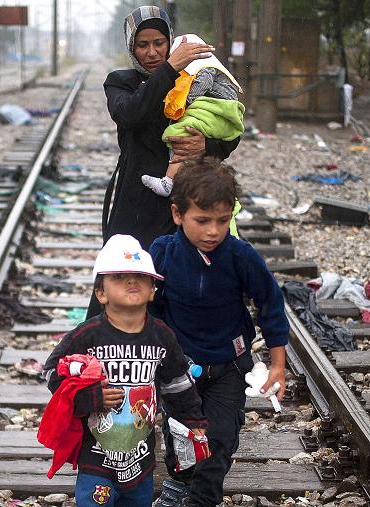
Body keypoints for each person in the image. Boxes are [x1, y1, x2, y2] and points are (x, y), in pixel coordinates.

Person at [148, 158, 289, 507]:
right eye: (203, 221)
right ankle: (180, 482)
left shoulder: (240, 256)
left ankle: (202, 499)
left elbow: (270, 303)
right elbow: (150, 309)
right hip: (179, 369)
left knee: (220, 438)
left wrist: (278, 365)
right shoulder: (163, 254)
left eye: (223, 221)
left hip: (228, 366)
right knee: (181, 435)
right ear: (178, 214)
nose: (213, 231)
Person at [41, 234, 207, 507]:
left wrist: (194, 423)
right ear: (101, 293)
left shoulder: (162, 336)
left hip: (141, 460)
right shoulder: (87, 336)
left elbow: (177, 385)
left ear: (153, 289)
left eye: (140, 277)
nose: (131, 281)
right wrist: (89, 398)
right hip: (96, 458)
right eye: (119, 276)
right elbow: (52, 373)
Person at [102, 6, 239, 250]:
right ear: (131, 47)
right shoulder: (121, 83)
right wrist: (169, 69)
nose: (152, 53)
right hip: (137, 202)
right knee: (128, 275)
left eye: (159, 43)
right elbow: (130, 114)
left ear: (170, 42)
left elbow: (227, 131)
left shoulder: (192, 78)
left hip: (189, 197)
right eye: (142, 45)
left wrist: (205, 146)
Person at [141, 34, 244, 197]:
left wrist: (185, 102)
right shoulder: (119, 81)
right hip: (220, 108)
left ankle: (168, 181)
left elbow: (202, 84)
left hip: (217, 107)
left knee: (181, 133)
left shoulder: (204, 66)